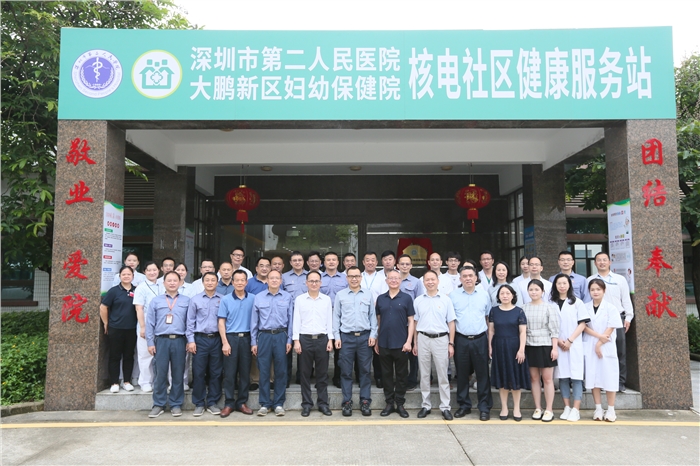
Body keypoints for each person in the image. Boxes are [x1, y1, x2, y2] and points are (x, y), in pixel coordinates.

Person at [586, 252, 634, 392]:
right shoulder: (590, 280)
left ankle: (620, 382)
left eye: (604, 260)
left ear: (609, 262)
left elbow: (626, 299)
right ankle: (601, 382)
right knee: (599, 352)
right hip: (596, 321)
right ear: (595, 263)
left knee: (619, 351)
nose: (602, 262)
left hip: (617, 319)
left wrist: (628, 317)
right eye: (599, 260)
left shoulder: (620, 279)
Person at [450, 265, 492, 421]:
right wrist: (451, 342)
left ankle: (484, 407)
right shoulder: (453, 296)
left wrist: (489, 342)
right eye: (465, 276)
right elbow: (450, 320)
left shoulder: (484, 295)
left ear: (476, 278)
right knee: (462, 374)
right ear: (460, 278)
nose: (468, 278)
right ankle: (464, 405)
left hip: (480, 339)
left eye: (470, 276)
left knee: (483, 374)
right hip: (461, 339)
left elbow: (488, 318)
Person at [333, 266, 377, 417]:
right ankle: (347, 402)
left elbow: (372, 316)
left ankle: (365, 401)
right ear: (346, 278)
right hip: (346, 338)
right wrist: (337, 337)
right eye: (351, 276)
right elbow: (336, 317)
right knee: (345, 371)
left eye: (357, 276)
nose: (354, 279)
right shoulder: (340, 295)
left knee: (365, 371)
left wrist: (373, 334)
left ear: (361, 277)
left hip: (365, 337)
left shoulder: (368, 294)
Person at [146, 271, 190, 418]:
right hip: (161, 341)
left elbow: (190, 323)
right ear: (164, 283)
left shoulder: (186, 301)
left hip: (179, 340)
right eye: (169, 280)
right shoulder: (156, 301)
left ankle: (176, 404)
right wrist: (150, 342)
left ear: (180, 282)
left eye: (175, 280)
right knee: (160, 373)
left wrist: (189, 340)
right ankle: (158, 404)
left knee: (178, 374)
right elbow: (150, 323)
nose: (172, 283)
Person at [413, 270, 456, 421]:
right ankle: (426, 405)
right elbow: (415, 322)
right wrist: (415, 343)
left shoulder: (446, 300)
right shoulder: (418, 300)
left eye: (433, 279)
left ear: (438, 281)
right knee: (424, 374)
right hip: (423, 338)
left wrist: (451, 343)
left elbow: (451, 323)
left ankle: (445, 407)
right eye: (427, 280)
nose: (430, 282)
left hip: (441, 339)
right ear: (423, 282)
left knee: (442, 374)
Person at [251, 269, 293, 416]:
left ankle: (279, 403)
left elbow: (291, 320)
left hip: (281, 335)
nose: (274, 280)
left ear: (281, 281)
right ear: (267, 280)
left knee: (281, 370)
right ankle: (265, 403)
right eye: (271, 278)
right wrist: (254, 341)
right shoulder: (259, 297)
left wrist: (289, 339)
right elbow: (254, 321)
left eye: (277, 278)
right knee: (264, 370)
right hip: (264, 336)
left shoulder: (287, 297)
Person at [375, 270, 415, 418]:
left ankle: (400, 403)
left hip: (401, 343)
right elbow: (379, 321)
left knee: (401, 374)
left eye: (396, 278)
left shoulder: (407, 298)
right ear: (386, 281)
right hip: (384, 342)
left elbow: (411, 321)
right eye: (390, 278)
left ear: (400, 280)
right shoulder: (381, 299)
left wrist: (409, 341)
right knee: (386, 374)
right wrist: (377, 339)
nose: (393, 280)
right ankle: (389, 403)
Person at [294, 271, 334, 416]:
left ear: (321, 283)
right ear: (306, 283)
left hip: (322, 339)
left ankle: (323, 403)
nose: (314, 283)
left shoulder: (326, 300)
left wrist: (330, 339)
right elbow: (296, 320)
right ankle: (306, 404)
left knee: (322, 374)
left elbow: (329, 320)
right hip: (305, 339)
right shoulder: (299, 299)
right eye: (311, 281)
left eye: (316, 281)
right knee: (305, 374)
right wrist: (296, 340)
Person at [550, 274, 590, 422]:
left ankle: (576, 409)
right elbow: (549, 324)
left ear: (569, 285)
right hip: (558, 344)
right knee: (563, 377)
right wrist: (559, 341)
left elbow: (582, 324)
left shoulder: (577, 302)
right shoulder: (551, 303)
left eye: (564, 283)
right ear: (555, 285)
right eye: (559, 283)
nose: (562, 286)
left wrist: (570, 340)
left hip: (574, 344)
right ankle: (567, 407)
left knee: (577, 377)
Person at [583, 279, 623, 422]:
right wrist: (598, 338)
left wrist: (599, 344)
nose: (595, 292)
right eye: (592, 289)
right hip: (591, 344)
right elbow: (584, 326)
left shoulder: (611, 308)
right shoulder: (585, 307)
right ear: (589, 291)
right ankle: (598, 408)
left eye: (598, 289)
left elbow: (610, 328)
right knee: (593, 377)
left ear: (604, 291)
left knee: (609, 376)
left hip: (606, 346)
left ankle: (611, 409)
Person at [488, 284, 529, 421]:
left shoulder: (519, 311)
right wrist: (490, 346)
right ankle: (504, 408)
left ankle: (517, 408)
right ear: (498, 296)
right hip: (499, 346)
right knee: (502, 377)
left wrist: (521, 349)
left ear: (513, 295)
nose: (505, 296)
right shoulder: (494, 311)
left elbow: (523, 332)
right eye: (502, 293)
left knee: (515, 378)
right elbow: (491, 330)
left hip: (515, 347)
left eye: (507, 293)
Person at [218, 270, 255, 417]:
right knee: (229, 373)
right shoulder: (225, 300)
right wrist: (225, 342)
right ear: (232, 282)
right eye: (237, 280)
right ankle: (229, 403)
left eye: (242, 280)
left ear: (246, 282)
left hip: (247, 338)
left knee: (245, 372)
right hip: (231, 338)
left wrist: (254, 342)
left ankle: (241, 402)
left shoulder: (253, 299)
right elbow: (221, 322)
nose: (240, 283)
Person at [186, 271, 224, 417]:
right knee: (199, 372)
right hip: (200, 339)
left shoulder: (223, 299)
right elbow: (190, 322)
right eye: (207, 280)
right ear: (202, 282)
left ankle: (213, 402)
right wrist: (191, 340)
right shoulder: (195, 300)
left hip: (217, 339)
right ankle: (199, 403)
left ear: (217, 282)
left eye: (213, 280)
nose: (210, 282)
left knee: (216, 372)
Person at [522, 279, 560, 422]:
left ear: (543, 292)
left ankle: (549, 409)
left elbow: (555, 330)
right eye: (531, 290)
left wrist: (554, 348)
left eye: (537, 289)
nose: (534, 292)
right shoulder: (523, 308)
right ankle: (538, 408)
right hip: (529, 345)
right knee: (534, 378)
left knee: (547, 379)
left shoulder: (549, 307)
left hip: (545, 345)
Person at [100, 265, 138, 393]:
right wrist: (106, 323)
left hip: (132, 328)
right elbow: (103, 307)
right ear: (120, 276)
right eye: (124, 274)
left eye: (129, 274)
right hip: (116, 328)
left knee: (129, 356)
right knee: (114, 356)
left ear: (133, 276)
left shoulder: (137, 290)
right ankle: (114, 382)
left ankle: (127, 381)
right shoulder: (113, 291)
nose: (126, 276)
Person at [133, 261, 163, 393]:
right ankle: (145, 382)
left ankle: (159, 380)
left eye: (154, 270)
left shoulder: (163, 285)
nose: (152, 272)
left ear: (159, 271)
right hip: (146, 321)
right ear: (144, 272)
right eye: (149, 270)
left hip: (162, 323)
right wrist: (143, 327)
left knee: (161, 354)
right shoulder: (141, 287)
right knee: (145, 354)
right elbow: (139, 308)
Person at [320, 251, 348, 388]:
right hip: (321, 317)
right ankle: (321, 377)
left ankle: (338, 377)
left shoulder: (345, 278)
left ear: (338, 262)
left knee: (339, 348)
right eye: (328, 260)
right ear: (324, 263)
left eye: (333, 260)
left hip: (340, 317)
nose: (331, 262)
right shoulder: (318, 278)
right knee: (321, 348)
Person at [282, 251, 308, 386]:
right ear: (290, 263)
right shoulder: (284, 277)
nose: (297, 262)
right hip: (287, 316)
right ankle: (286, 378)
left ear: (304, 262)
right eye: (294, 260)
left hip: (305, 318)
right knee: (287, 348)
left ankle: (301, 377)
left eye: (300, 260)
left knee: (303, 348)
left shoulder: (310, 276)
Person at [360, 251, 384, 388]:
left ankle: (379, 376)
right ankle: (361, 376)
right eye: (367, 260)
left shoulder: (382, 278)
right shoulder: (358, 276)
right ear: (363, 262)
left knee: (377, 346)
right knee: (362, 347)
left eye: (373, 260)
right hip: (361, 316)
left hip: (378, 314)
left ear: (376, 262)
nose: (370, 262)